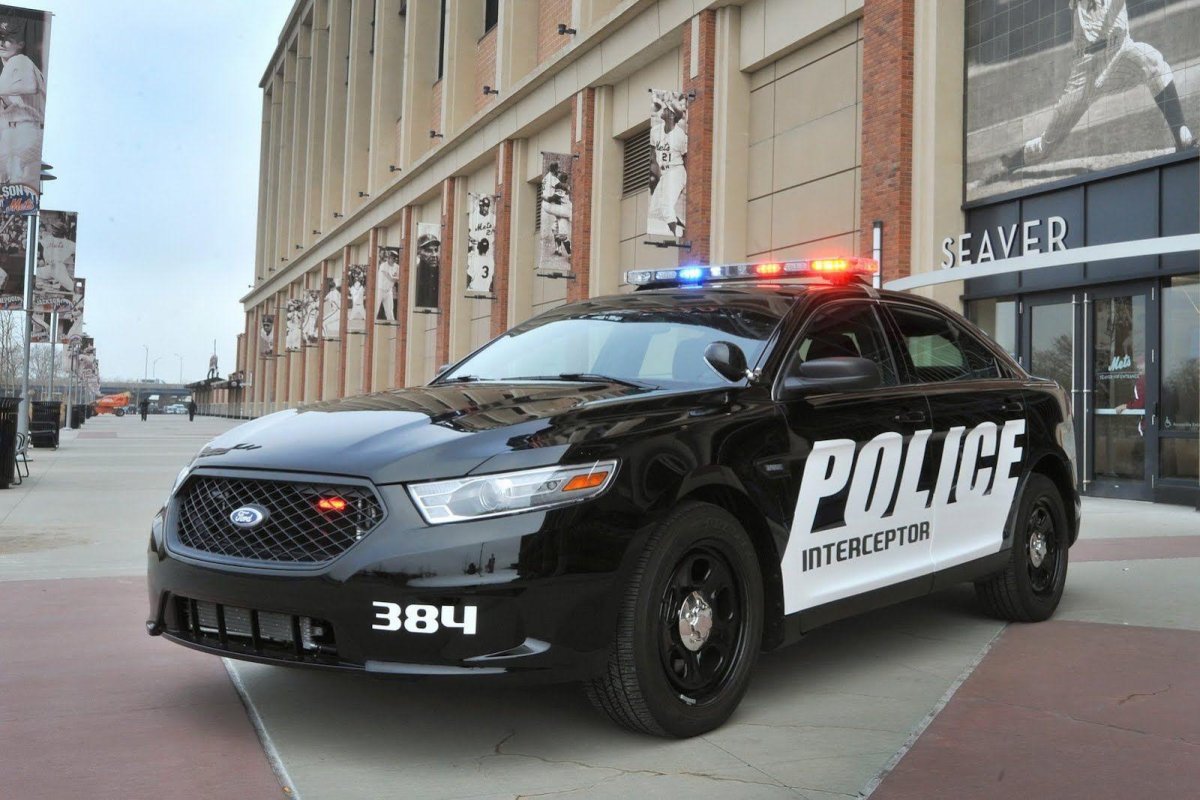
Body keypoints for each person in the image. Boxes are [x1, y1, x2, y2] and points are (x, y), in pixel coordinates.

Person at [1001, 0, 1195, 173]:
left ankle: (1182, 135)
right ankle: (1013, 162)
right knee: (1047, 144)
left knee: (1153, 62)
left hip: (1120, 52)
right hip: (1084, 68)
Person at [0, 18, 46, 190]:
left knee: (13, 184)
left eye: (8, 39)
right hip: (25, 131)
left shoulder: (19, 60)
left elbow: (30, 86)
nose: (2, 43)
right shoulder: (10, 66)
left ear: (20, 44)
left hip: (24, 130)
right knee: (15, 186)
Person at [649, 94, 687, 238]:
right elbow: (652, 152)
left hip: (676, 171)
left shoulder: (680, 136)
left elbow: (686, 158)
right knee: (655, 210)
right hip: (665, 173)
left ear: (672, 115)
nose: (663, 110)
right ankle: (682, 225)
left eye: (667, 109)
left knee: (666, 206)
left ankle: (677, 237)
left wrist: (685, 181)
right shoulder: (655, 131)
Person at [540, 164, 571, 258]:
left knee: (563, 234)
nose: (557, 175)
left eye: (559, 176)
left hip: (564, 212)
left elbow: (551, 199)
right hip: (560, 211)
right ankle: (559, 250)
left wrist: (543, 197)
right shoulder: (561, 187)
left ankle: (571, 253)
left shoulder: (560, 189)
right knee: (554, 229)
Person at [415, 231, 440, 308]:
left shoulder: (442, 274)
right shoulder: (415, 274)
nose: (434, 255)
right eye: (429, 251)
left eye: (436, 250)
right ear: (418, 252)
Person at [376, 247, 399, 322]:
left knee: (390, 312)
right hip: (380, 290)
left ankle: (393, 329)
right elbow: (391, 278)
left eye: (395, 258)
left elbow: (399, 278)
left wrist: (395, 278)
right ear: (388, 258)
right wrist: (395, 278)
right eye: (393, 258)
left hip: (389, 292)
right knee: (375, 310)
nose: (395, 260)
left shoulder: (397, 267)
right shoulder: (383, 265)